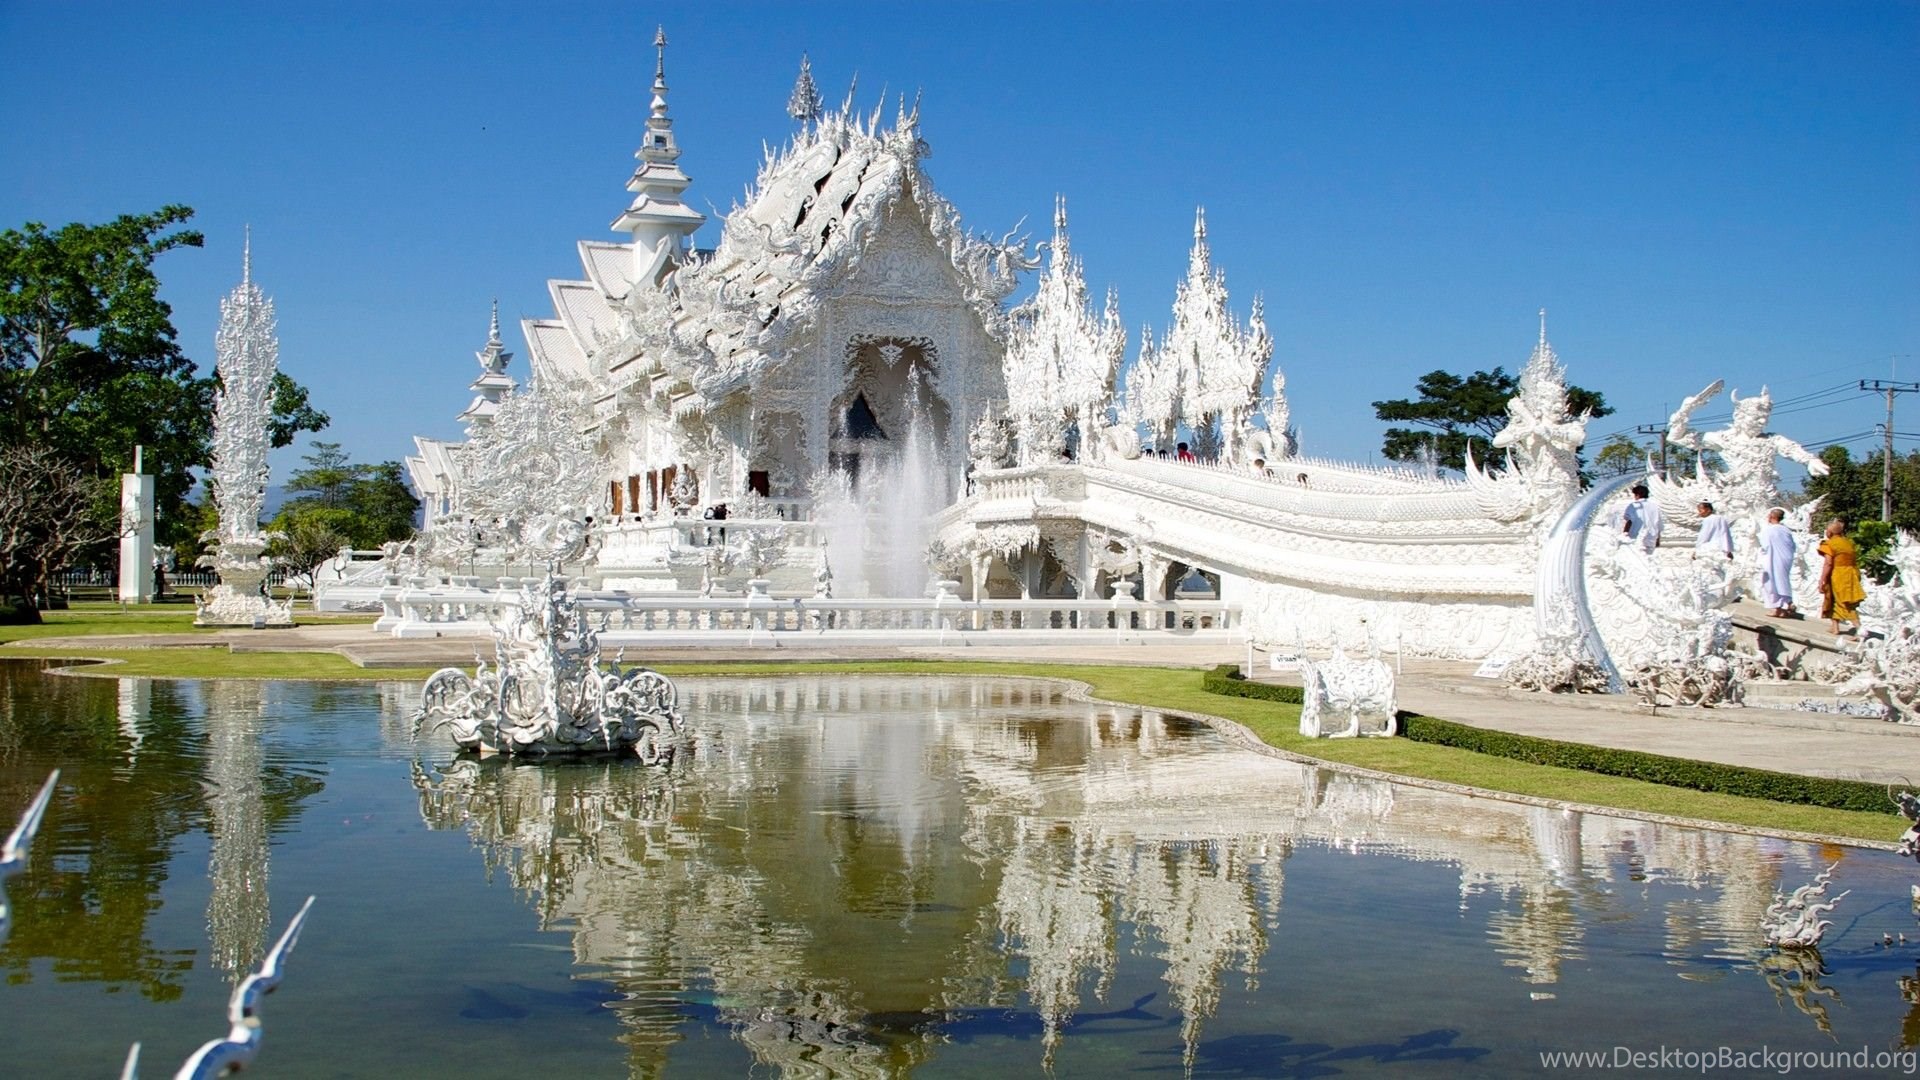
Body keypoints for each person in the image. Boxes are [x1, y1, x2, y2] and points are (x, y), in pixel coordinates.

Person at [1817, 518, 1867, 635]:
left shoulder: (1829, 544)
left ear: (1829, 532)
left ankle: (1860, 630)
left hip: (1839, 574)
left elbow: (1828, 563)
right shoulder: (1848, 543)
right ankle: (1835, 627)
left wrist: (1822, 580)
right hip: (1851, 573)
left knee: (1843, 602)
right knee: (1832, 598)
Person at [1757, 507, 1798, 618]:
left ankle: (1779, 607)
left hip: (1773, 558)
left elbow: (1765, 546)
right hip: (1786, 559)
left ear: (1772, 517)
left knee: (1771, 582)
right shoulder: (1786, 530)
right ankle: (1783, 606)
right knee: (1782, 581)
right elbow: (1793, 546)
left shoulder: (1769, 530)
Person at [1621, 482, 1664, 553]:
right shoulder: (1655, 507)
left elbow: (1629, 521)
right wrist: (1658, 540)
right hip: (1651, 539)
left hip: (1636, 538)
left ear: (1637, 495)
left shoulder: (1633, 506)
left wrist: (1625, 534)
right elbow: (1659, 525)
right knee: (1648, 561)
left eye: (1634, 495)